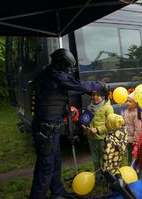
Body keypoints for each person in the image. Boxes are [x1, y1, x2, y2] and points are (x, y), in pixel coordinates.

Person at [30, 48, 105, 199]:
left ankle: (58, 192)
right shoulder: (56, 74)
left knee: (55, 161)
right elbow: (78, 84)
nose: (69, 70)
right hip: (47, 129)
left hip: (49, 127)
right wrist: (99, 85)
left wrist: (84, 92)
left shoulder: (49, 73)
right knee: (45, 167)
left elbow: (65, 90)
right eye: (68, 67)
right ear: (62, 64)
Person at [83, 88, 114, 173]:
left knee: (105, 159)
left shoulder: (108, 108)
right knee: (95, 159)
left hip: (103, 139)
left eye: (98, 95)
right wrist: (85, 126)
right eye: (93, 95)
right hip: (92, 138)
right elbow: (86, 121)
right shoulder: (89, 107)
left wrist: (98, 129)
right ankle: (98, 175)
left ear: (103, 96)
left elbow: (111, 125)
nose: (95, 97)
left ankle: (108, 176)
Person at [123, 92, 141, 165]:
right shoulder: (126, 111)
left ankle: (134, 170)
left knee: (134, 156)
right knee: (129, 155)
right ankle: (129, 168)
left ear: (136, 103)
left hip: (133, 140)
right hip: (128, 138)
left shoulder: (136, 113)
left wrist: (135, 140)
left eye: (130, 101)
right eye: (127, 101)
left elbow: (138, 128)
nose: (128, 103)